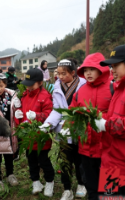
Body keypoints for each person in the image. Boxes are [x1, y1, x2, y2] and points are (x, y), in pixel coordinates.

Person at [39, 59, 87, 200]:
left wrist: (73, 121)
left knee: (79, 160)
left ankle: (81, 184)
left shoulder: (83, 85)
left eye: (63, 74)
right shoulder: (57, 86)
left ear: (73, 72)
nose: (60, 77)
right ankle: (67, 189)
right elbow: (57, 110)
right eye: (58, 73)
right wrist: (48, 124)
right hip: (63, 131)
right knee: (65, 160)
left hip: (78, 129)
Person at [69, 53, 113, 200]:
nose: (88, 73)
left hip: (108, 148)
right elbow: (72, 111)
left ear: (102, 70)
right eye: (85, 70)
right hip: (86, 148)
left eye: (92, 69)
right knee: (91, 186)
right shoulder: (80, 91)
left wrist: (103, 121)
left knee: (111, 189)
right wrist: (71, 125)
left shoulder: (113, 88)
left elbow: (119, 114)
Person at [14, 68, 55, 197]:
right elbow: (21, 115)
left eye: (32, 84)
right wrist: (17, 114)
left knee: (44, 161)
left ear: (40, 83)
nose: (29, 87)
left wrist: (37, 116)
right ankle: (36, 181)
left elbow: (50, 115)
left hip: (41, 136)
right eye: (27, 84)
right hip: (28, 137)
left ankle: (49, 182)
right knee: (31, 160)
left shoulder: (45, 96)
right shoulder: (24, 95)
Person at [96, 45, 125, 195]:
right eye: (111, 66)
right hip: (110, 159)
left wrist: (107, 124)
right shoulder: (118, 88)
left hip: (121, 163)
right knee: (110, 197)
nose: (111, 70)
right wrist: (100, 118)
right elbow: (116, 116)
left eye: (115, 66)